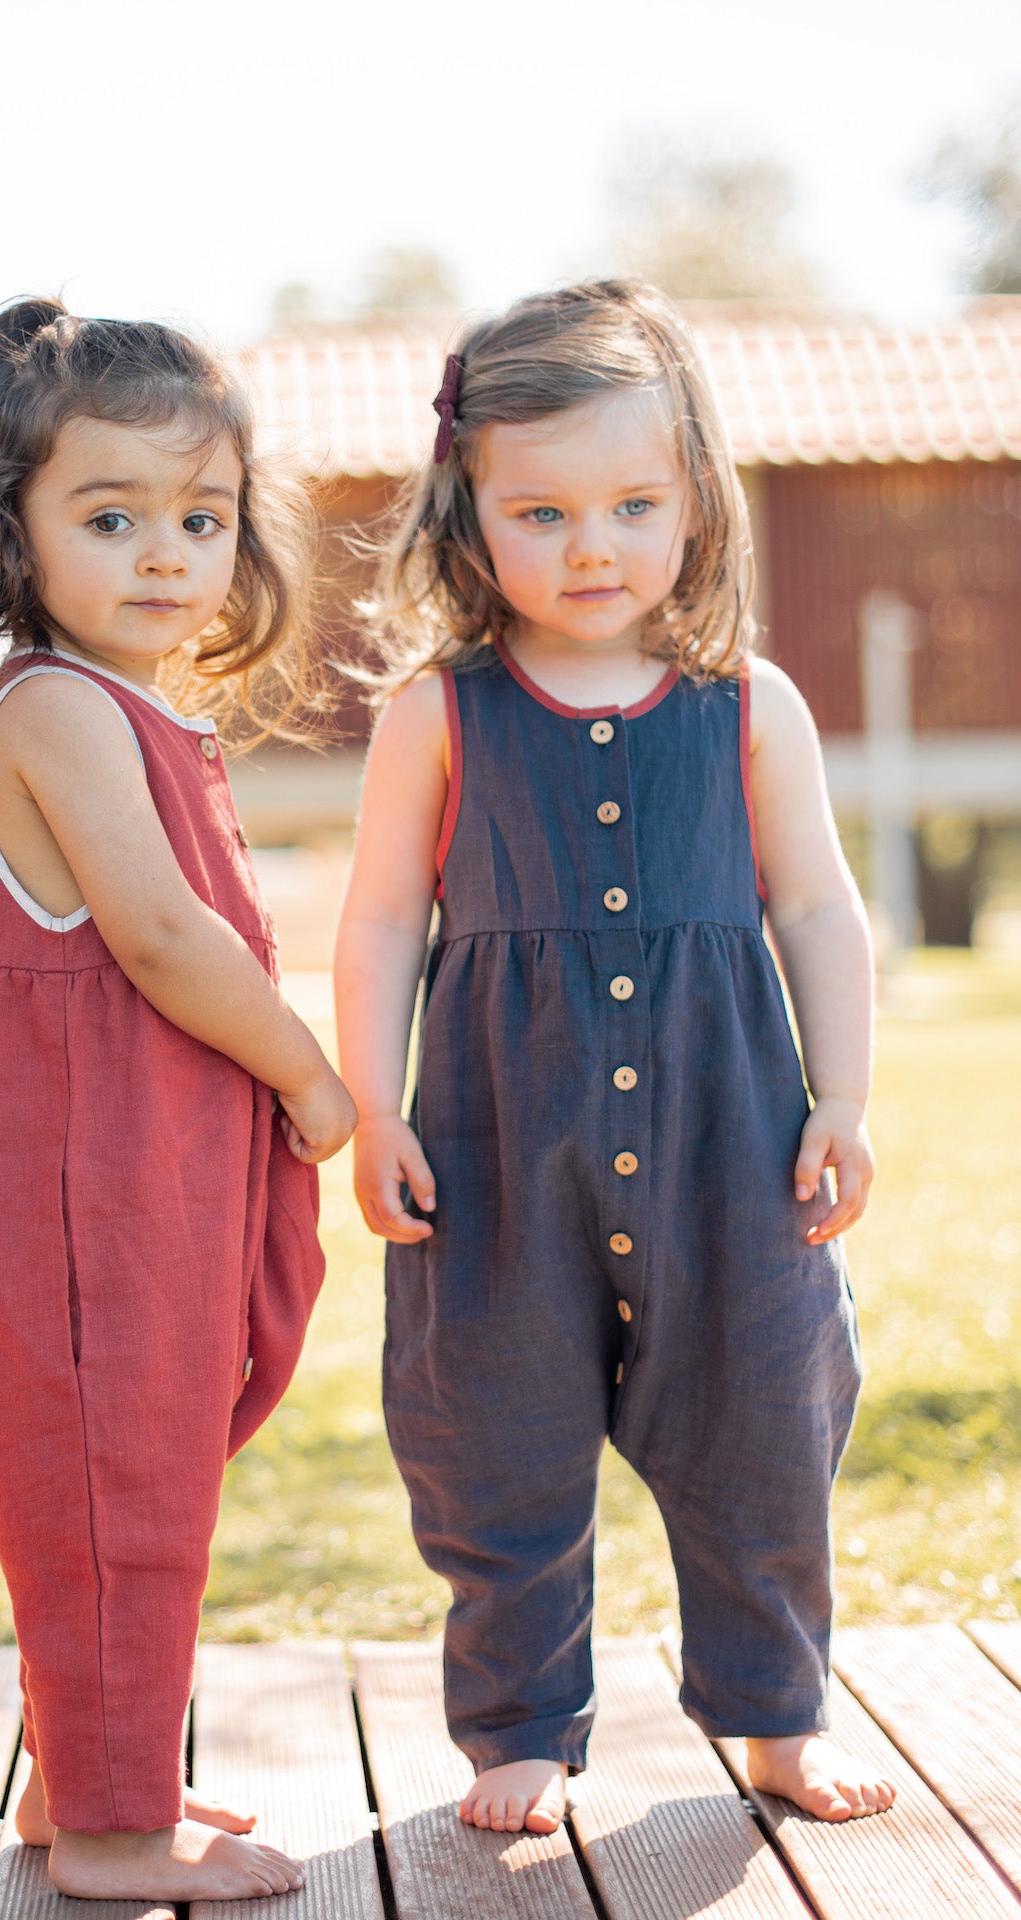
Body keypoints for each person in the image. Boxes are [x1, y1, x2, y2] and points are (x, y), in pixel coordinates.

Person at [334, 279, 896, 1836]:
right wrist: (373, 1107)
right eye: (544, 511)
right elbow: (381, 920)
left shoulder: (746, 707)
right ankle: (517, 1726)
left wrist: (842, 1096)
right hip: (502, 1145)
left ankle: (777, 1711)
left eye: (634, 504)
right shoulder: (437, 715)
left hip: (732, 1137)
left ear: (695, 503)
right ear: (470, 518)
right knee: (489, 1427)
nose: (592, 545)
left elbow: (820, 910)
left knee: (766, 1415)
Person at [0, 298, 356, 1903]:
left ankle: (82, 1779)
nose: (166, 552)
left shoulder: (146, 709)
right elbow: (164, 938)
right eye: (110, 517)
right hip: (78, 1174)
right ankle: (111, 1828)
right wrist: (307, 1070)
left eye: (203, 517)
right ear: (16, 533)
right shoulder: (53, 709)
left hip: (144, 1157)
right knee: (110, 1482)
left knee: (135, 1466)